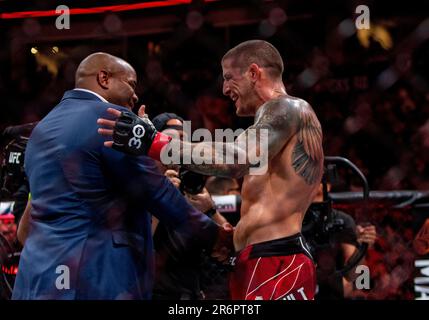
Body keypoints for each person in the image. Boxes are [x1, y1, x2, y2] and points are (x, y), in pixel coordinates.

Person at [98, 40, 324, 300]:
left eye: (229, 78)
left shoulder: (287, 108)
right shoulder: (273, 127)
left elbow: (236, 159)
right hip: (263, 258)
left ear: (253, 73)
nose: (225, 89)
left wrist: (155, 142)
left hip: (277, 262)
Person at [12, 52, 232, 300]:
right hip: (94, 277)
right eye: (131, 84)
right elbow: (156, 191)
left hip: (37, 278)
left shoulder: (40, 130)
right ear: (104, 78)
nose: (136, 95)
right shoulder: (112, 120)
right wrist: (214, 235)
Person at [308, 183, 377, 299]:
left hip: (331, 288)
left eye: (315, 176)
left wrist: (361, 247)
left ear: (326, 185)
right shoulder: (290, 218)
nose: (309, 180)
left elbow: (360, 282)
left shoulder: (341, 220)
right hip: (297, 281)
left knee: (354, 290)